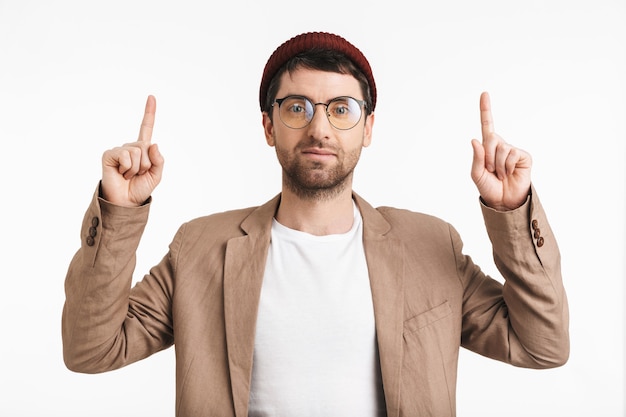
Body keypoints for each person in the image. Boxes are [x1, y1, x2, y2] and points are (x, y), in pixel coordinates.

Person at [62, 31, 569, 417]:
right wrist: (120, 210)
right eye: (297, 107)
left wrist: (512, 209)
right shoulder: (201, 247)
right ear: (268, 125)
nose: (319, 128)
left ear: (368, 127)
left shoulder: (428, 244)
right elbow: (91, 350)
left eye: (341, 109)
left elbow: (541, 345)